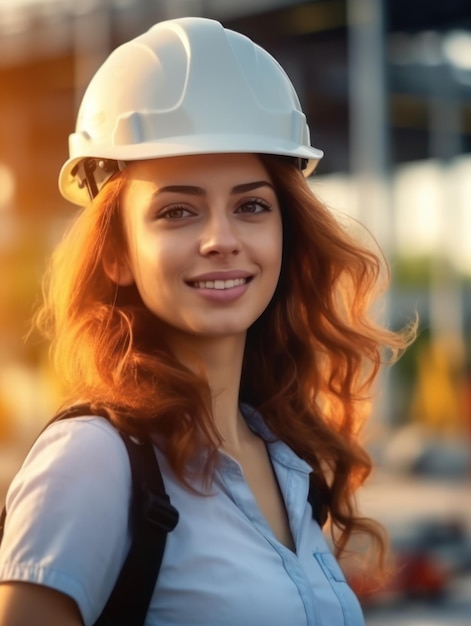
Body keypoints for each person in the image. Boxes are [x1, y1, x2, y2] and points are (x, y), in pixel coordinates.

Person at [0, 16, 414, 626]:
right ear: (116, 252)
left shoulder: (284, 458)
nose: (222, 239)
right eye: (177, 211)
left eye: (250, 205)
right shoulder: (92, 463)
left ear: (284, 232)